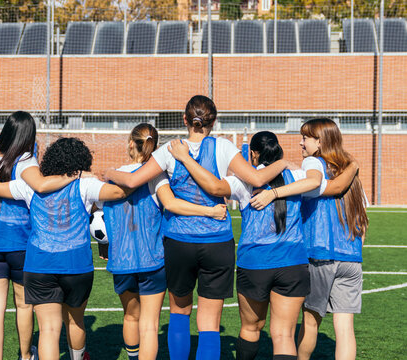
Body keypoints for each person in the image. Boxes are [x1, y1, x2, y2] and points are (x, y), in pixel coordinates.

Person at [103, 95, 290, 359]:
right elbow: (258, 177)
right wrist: (283, 162)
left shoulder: (170, 149)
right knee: (210, 323)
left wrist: (109, 172)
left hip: (179, 242)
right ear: (214, 121)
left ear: (185, 119)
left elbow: (133, 181)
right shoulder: (224, 147)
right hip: (217, 242)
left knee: (179, 314)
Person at [168, 131, 358, 360]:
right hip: (292, 264)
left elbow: (214, 188)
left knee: (250, 328)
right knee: (284, 335)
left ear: (253, 154)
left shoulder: (242, 181)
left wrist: (185, 159)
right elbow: (336, 187)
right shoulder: (298, 176)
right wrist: (353, 166)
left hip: (255, 263)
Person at [0, 137, 136, 360]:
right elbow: (120, 193)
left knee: (48, 330)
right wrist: (121, 173)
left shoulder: (31, 185)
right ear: (81, 161)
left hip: (39, 265)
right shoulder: (84, 183)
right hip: (76, 265)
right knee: (76, 321)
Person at [101, 123, 227, 360]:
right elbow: (172, 204)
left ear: (130, 143)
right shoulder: (157, 177)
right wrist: (209, 211)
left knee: (130, 317)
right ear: (154, 146)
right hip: (154, 260)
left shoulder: (113, 176)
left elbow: (99, 220)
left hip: (122, 260)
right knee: (150, 323)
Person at [250, 118, 367, 360]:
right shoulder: (350, 171)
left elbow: (316, 184)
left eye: (305, 138)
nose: (300, 143)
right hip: (352, 258)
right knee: (345, 329)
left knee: (310, 323)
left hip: (320, 255)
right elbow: (362, 219)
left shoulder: (313, 162)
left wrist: (273, 193)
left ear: (321, 141)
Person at [0, 111, 65, 360]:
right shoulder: (26, 161)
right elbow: (41, 187)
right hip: (22, 245)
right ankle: (26, 356)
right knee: (24, 306)